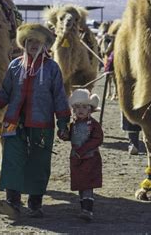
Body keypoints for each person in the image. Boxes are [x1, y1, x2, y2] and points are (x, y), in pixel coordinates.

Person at [0, 23, 71, 218]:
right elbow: (6, 91)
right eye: (30, 41)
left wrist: (64, 121)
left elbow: (59, 96)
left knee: (38, 163)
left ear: (44, 45)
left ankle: (35, 204)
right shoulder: (15, 66)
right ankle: (13, 202)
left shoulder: (52, 68)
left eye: (37, 41)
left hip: (41, 124)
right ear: (24, 43)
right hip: (13, 122)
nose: (33, 44)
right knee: (12, 161)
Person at [58, 89, 103, 221]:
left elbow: (97, 139)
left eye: (84, 107)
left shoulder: (94, 125)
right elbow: (69, 137)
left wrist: (83, 150)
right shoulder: (74, 125)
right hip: (77, 160)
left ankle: (87, 210)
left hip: (90, 159)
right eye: (77, 107)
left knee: (88, 184)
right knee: (81, 183)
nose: (81, 110)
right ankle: (83, 206)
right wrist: (63, 134)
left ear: (90, 109)